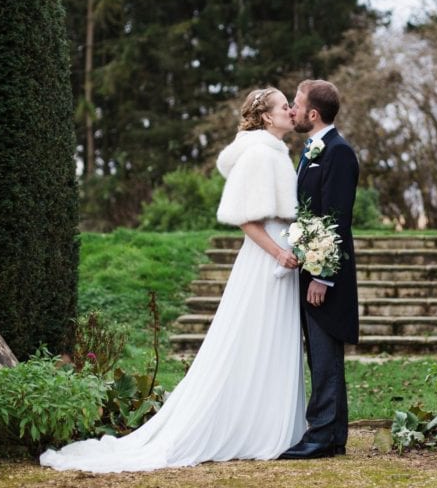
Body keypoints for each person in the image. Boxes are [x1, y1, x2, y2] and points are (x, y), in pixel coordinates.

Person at [40, 87, 306, 473]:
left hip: (282, 256)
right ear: (266, 117)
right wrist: (280, 252)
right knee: (254, 337)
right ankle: (252, 426)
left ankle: (269, 420)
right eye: (285, 106)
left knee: (273, 340)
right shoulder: (259, 154)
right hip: (267, 260)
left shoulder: (276, 152)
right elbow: (247, 219)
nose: (291, 110)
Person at [280, 79, 360, 460]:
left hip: (326, 274)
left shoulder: (339, 153)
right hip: (311, 267)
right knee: (320, 352)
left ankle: (322, 435)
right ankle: (334, 436)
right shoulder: (313, 150)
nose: (292, 110)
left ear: (313, 113)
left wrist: (323, 277)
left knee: (325, 352)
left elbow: (337, 219)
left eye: (296, 104)